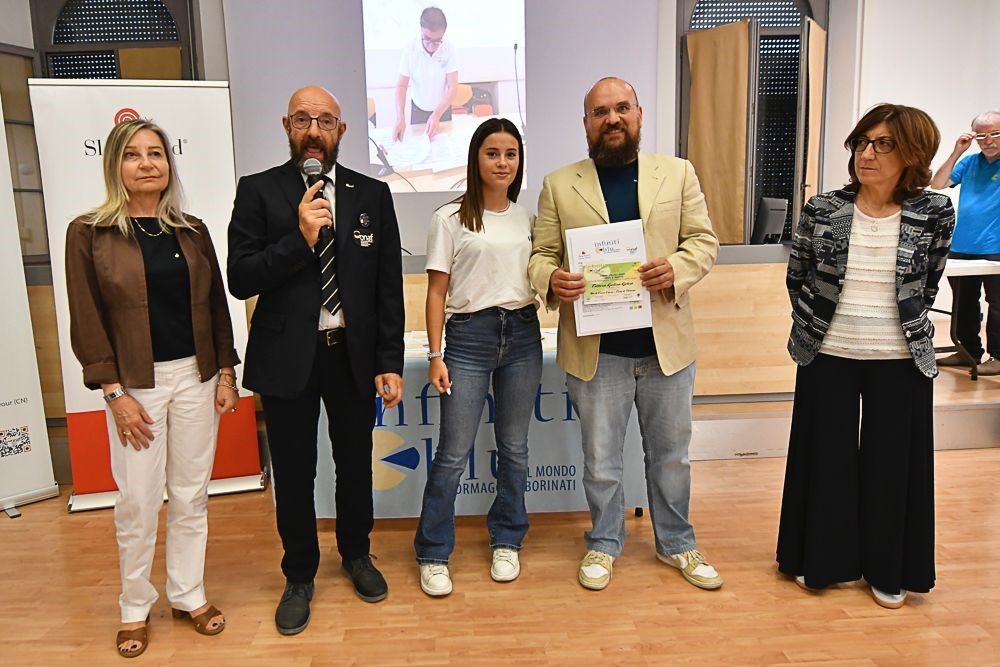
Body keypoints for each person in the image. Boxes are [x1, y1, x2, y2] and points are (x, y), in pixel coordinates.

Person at [528, 77, 721, 592]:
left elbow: (703, 242)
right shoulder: (558, 184)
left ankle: (676, 542)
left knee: (672, 456)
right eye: (600, 112)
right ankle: (604, 541)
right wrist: (552, 278)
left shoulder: (677, 173)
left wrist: (677, 268)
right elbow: (541, 255)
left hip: (666, 349)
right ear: (586, 123)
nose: (611, 118)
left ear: (639, 114)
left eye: (621, 108)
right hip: (597, 352)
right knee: (601, 460)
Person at [227, 86, 404, 635]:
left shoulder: (372, 193)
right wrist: (299, 238)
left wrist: (389, 360)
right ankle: (299, 574)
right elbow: (240, 277)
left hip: (351, 355)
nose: (313, 130)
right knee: (295, 472)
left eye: (325, 120)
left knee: (354, 464)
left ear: (341, 131)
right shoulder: (258, 190)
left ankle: (356, 554)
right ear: (287, 126)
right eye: (302, 119)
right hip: (287, 358)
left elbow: (387, 287)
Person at [65, 119, 239, 658]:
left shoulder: (192, 229)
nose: (147, 163)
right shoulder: (88, 232)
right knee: (138, 502)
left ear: (169, 164)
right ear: (114, 165)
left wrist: (226, 372)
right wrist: (114, 393)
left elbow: (215, 306)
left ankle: (188, 594)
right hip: (135, 387)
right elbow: (86, 318)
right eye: (133, 155)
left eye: (156, 154)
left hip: (197, 378)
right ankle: (134, 606)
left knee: (191, 496)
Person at [778, 104, 955, 609]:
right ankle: (822, 560)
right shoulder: (823, 208)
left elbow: (929, 280)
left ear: (912, 153)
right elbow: (798, 277)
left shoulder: (934, 211)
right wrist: (817, 324)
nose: (867, 154)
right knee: (826, 459)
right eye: (861, 142)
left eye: (883, 144)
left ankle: (887, 568)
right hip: (828, 351)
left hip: (900, 357)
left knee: (892, 464)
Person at [413, 118, 540, 596]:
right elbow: (435, 292)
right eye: (492, 153)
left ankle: (507, 539)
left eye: (511, 154)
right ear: (475, 159)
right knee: (453, 453)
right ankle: (433, 551)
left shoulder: (527, 218)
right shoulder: (449, 218)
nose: (502, 162)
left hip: (522, 335)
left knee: (515, 449)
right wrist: (435, 354)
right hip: (468, 338)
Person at [930, 109, 1000, 376]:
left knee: (998, 304)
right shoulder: (969, 162)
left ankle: (999, 357)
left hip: (996, 248)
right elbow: (938, 183)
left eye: (995, 134)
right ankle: (968, 351)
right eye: (981, 136)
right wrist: (957, 151)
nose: (988, 141)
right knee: (964, 303)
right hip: (962, 246)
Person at [392, 6, 458, 141]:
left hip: (442, 110)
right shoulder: (410, 49)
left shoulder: (449, 49)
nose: (431, 45)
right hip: (418, 110)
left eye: (437, 41)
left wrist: (436, 115)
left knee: (444, 146)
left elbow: (453, 87)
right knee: (418, 145)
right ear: (421, 29)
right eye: (427, 38)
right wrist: (400, 118)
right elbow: (401, 86)